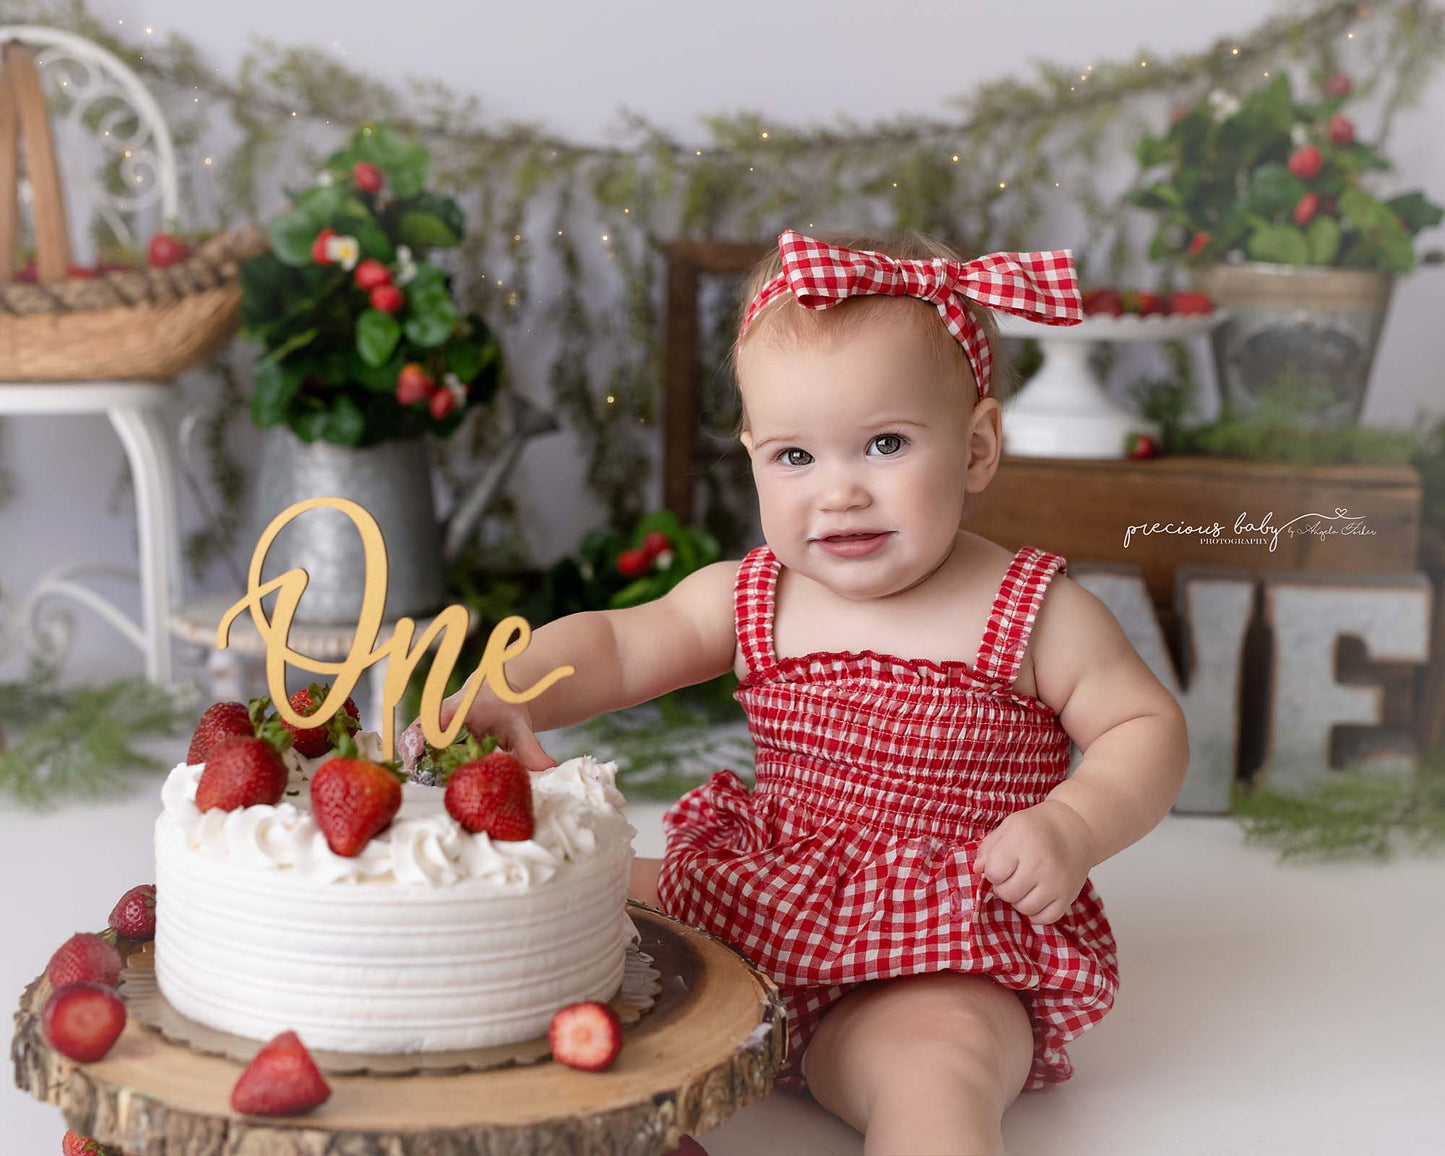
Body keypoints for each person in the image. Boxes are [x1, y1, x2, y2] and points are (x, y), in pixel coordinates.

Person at [405, 229, 1190, 1156]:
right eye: (794, 458)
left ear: (977, 447)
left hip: (936, 949)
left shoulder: (1031, 611)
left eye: (885, 444)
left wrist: (1074, 824)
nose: (839, 493)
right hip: (757, 908)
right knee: (567, 899)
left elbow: (1146, 726)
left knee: (941, 1064)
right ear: (750, 457)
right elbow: (621, 642)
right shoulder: (754, 594)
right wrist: (512, 688)